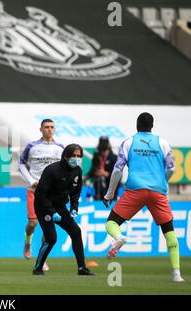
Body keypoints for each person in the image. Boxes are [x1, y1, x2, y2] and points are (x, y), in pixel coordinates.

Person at [103, 112, 185, 282]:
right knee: (169, 231)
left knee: (112, 222)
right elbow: (171, 168)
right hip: (157, 192)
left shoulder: (128, 142)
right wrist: (162, 183)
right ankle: (177, 274)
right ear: (152, 126)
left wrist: (109, 193)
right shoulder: (163, 143)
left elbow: (118, 169)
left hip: (135, 190)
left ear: (137, 125)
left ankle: (119, 238)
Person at [33, 143, 95, 276]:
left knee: (76, 232)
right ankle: (38, 268)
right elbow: (40, 194)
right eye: (74, 156)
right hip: (44, 207)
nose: (77, 158)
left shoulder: (77, 170)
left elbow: (76, 192)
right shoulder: (52, 170)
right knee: (51, 238)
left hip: (60, 207)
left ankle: (82, 268)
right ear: (65, 156)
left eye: (79, 156)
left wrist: (74, 208)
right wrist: (51, 211)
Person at [19, 119, 63, 271]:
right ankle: (28, 240)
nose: (49, 129)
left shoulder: (60, 148)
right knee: (33, 224)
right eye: (46, 127)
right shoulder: (32, 146)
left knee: (47, 228)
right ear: (41, 129)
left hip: (51, 194)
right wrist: (31, 180)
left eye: (52, 127)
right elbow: (21, 164)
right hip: (34, 191)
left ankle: (41, 259)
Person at [86, 136, 118, 200]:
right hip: (98, 185)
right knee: (98, 196)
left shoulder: (114, 157)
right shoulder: (97, 155)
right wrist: (86, 177)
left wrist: (106, 174)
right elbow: (93, 168)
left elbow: (118, 174)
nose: (103, 151)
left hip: (110, 186)